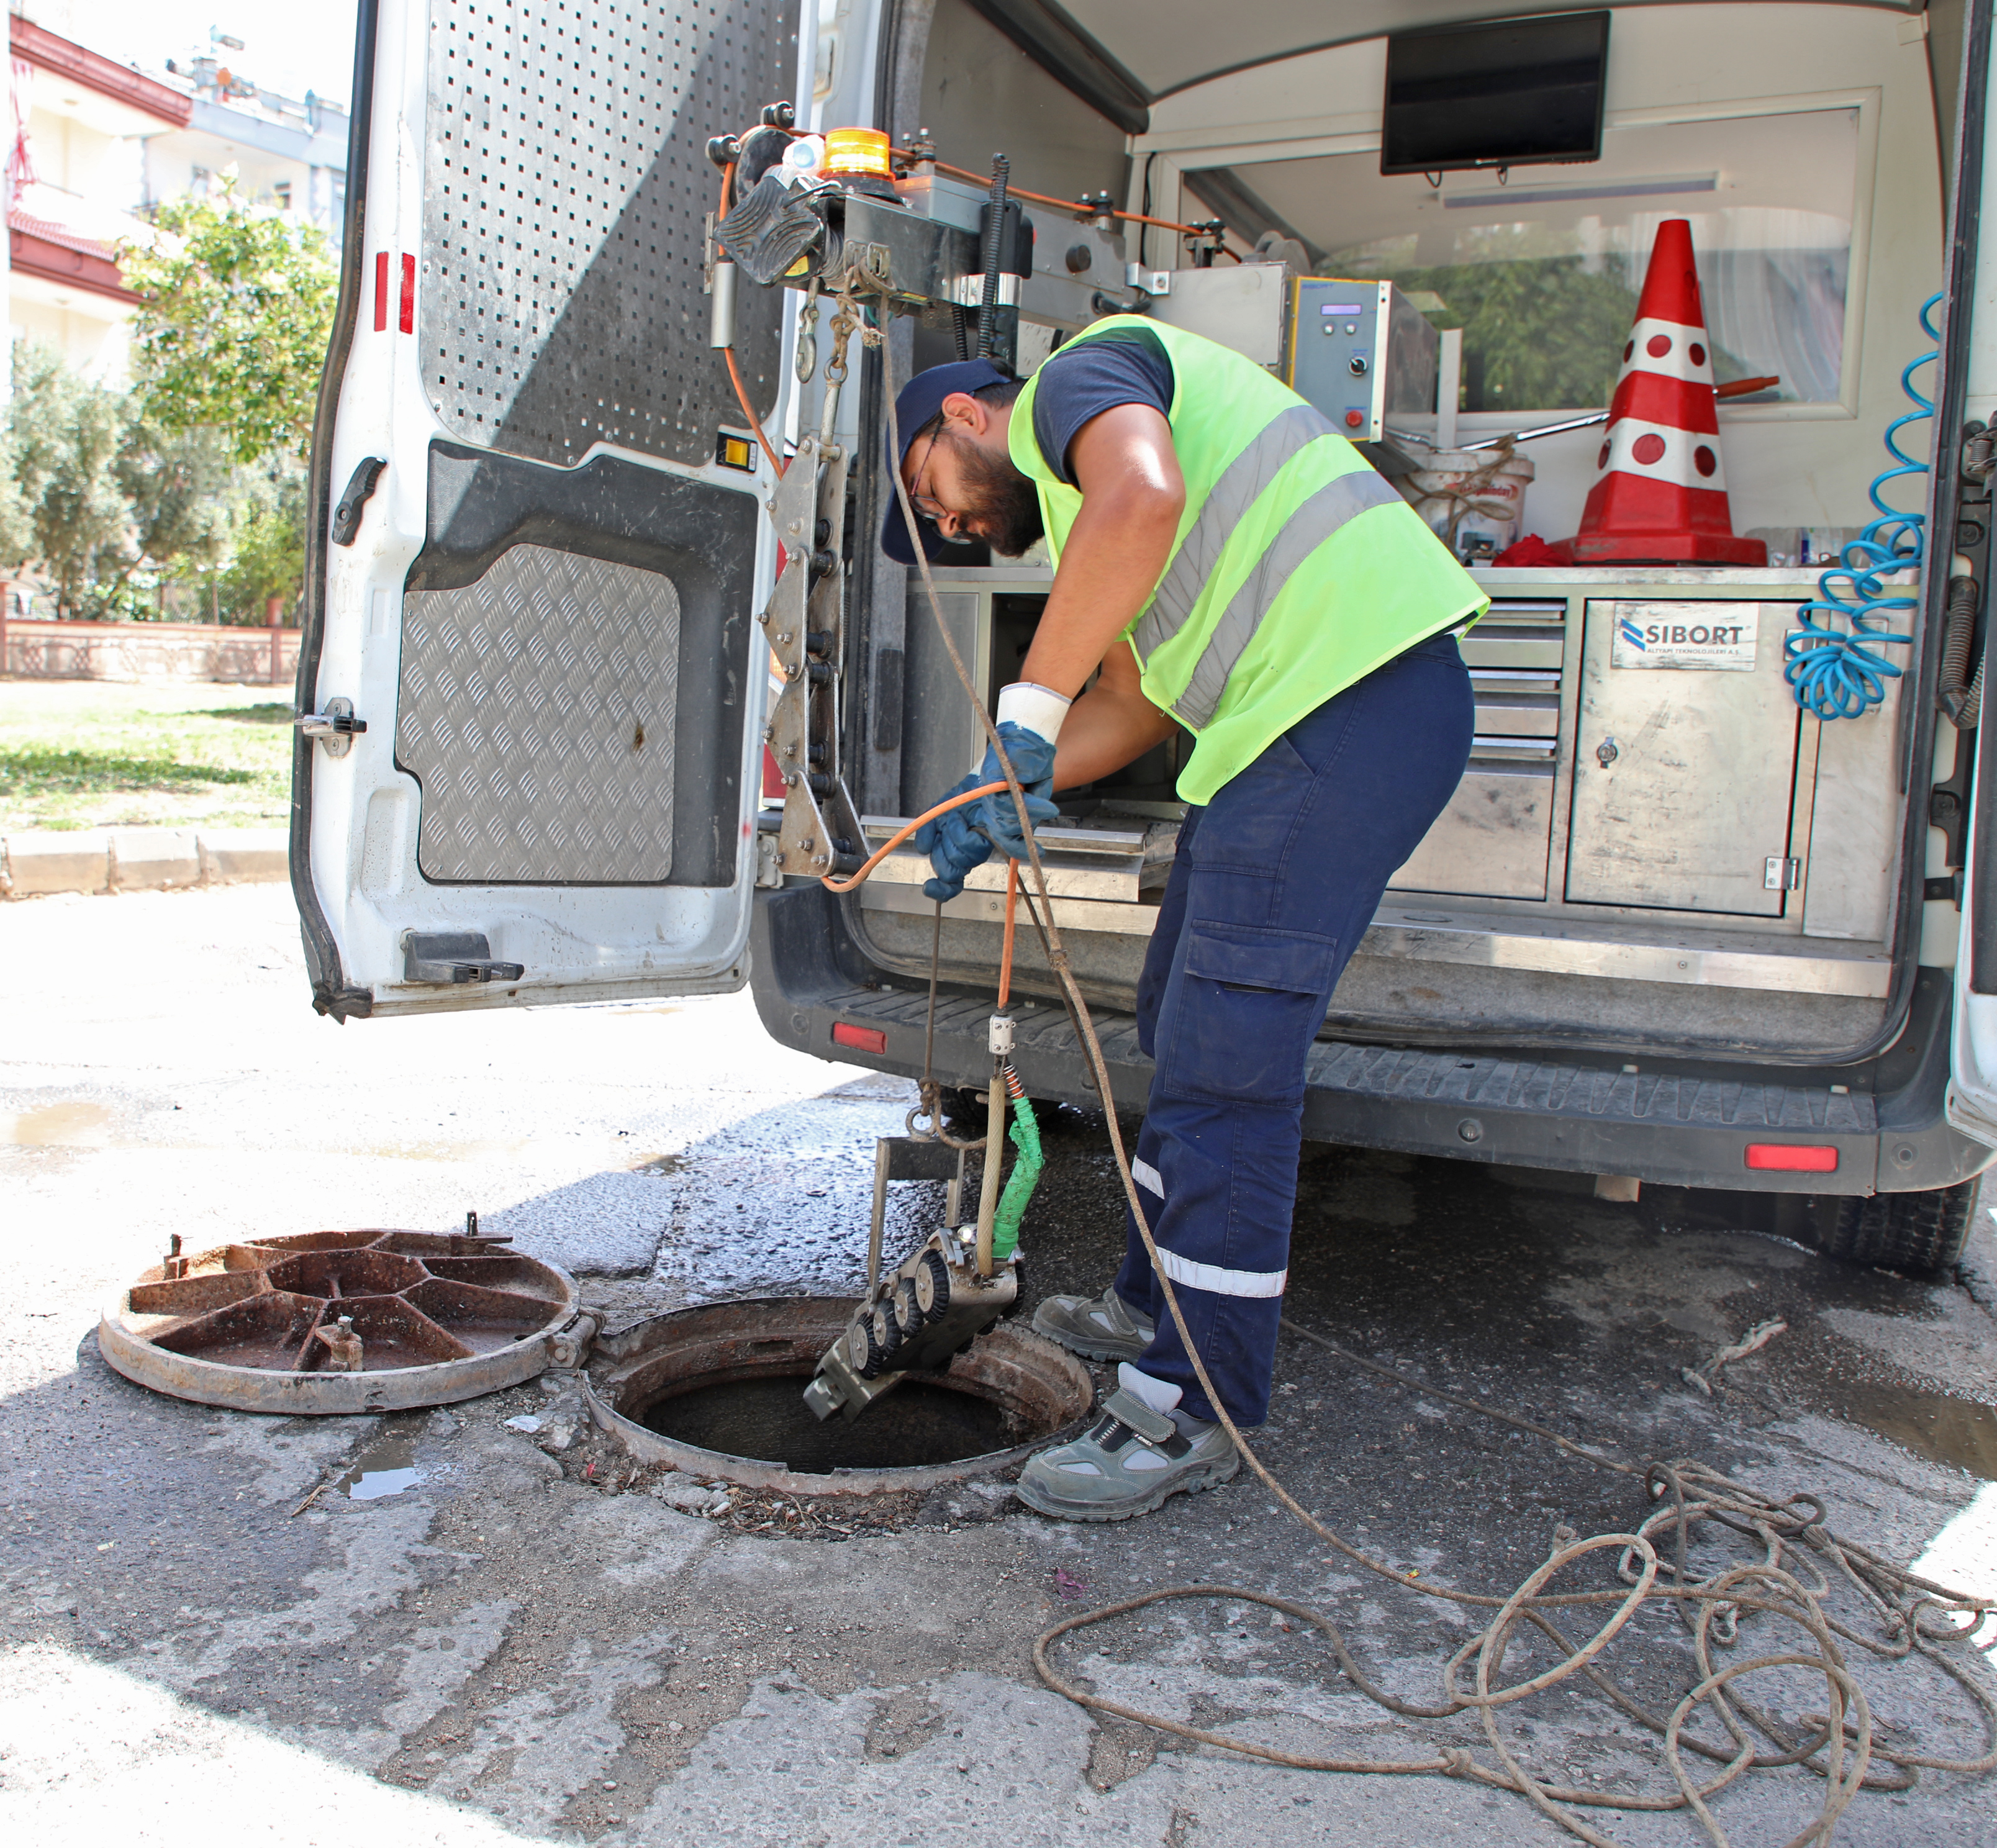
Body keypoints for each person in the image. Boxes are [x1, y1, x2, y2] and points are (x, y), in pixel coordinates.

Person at [882, 317, 1483, 1521]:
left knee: (1227, 1065)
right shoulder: (1088, 515)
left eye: (929, 492)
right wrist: (989, 792)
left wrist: (1027, 714)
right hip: (1287, 732)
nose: (946, 526)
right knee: (1177, 1017)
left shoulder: (1080, 381)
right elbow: (1139, 701)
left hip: (1348, 705)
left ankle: (1191, 1406)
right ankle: (1153, 1299)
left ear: (965, 419)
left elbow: (1143, 500)